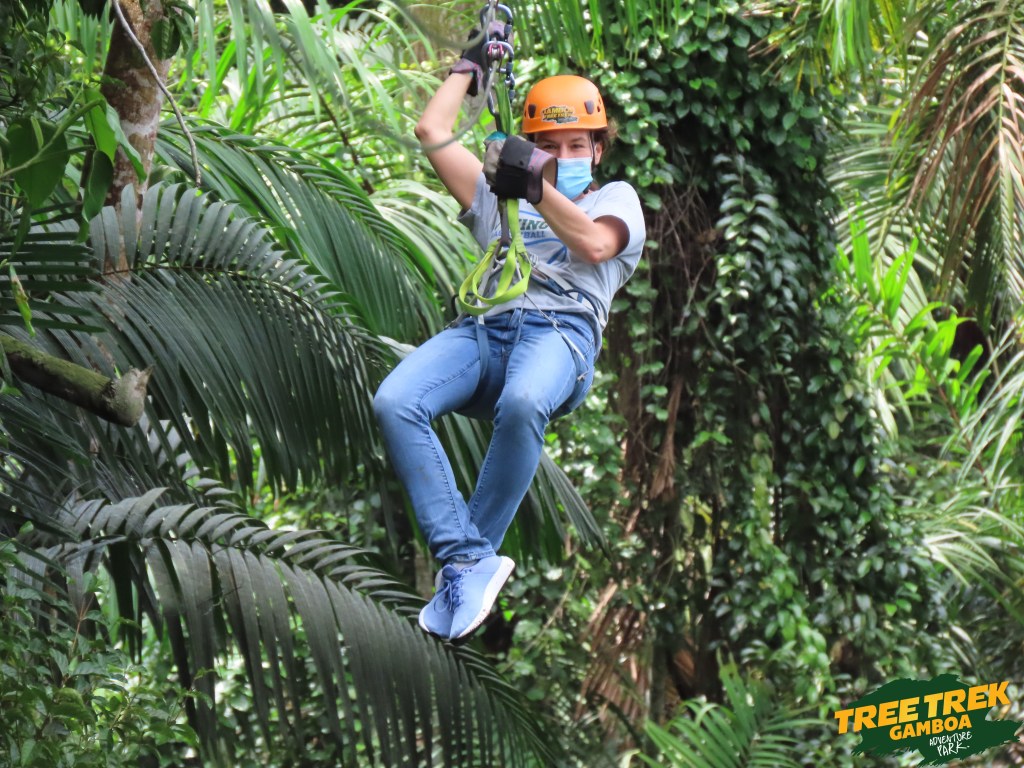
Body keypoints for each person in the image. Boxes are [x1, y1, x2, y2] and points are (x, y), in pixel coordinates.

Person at [372, 35, 646, 642]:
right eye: (547, 147)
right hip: (484, 331)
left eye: (577, 145)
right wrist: (470, 67)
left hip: (560, 336)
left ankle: (471, 559)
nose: (563, 154)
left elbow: (595, 245)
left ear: (598, 151)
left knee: (522, 404)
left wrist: (534, 183)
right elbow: (433, 130)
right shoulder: (500, 199)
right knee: (396, 401)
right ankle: (466, 561)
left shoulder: (614, 199)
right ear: (529, 149)